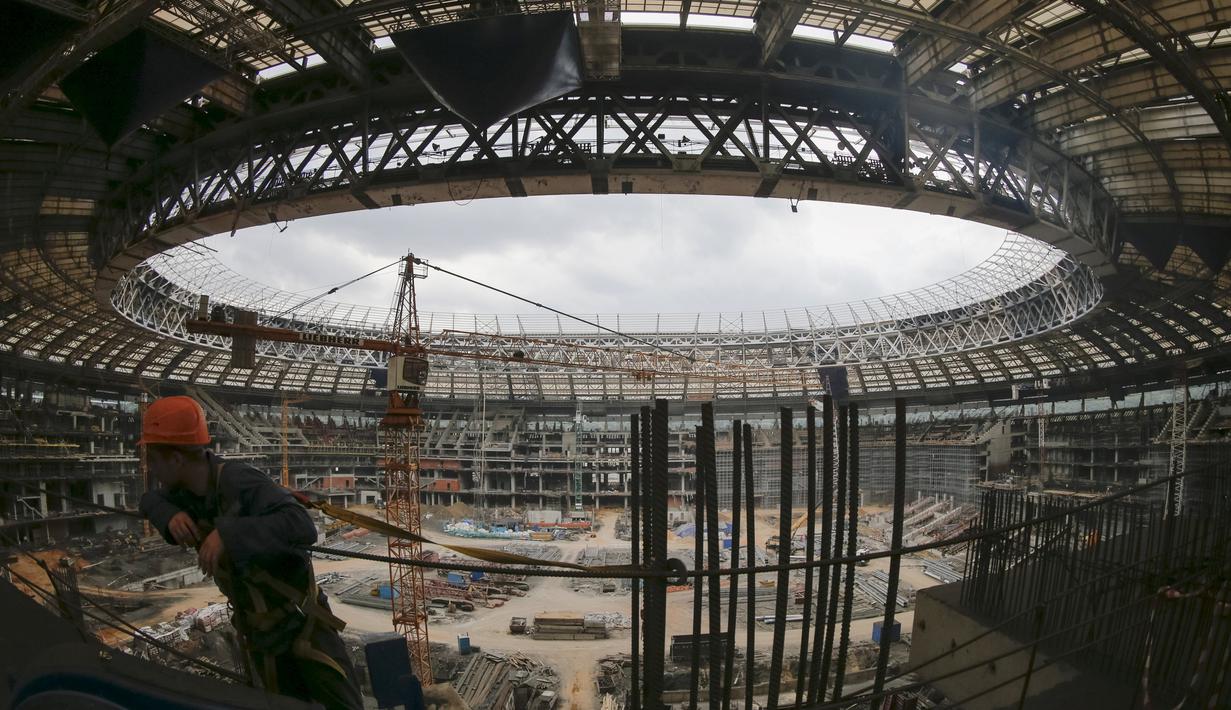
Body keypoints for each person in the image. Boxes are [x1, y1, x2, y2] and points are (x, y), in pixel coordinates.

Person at [138, 395, 364, 709]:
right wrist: (167, 515)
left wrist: (228, 536)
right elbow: (148, 500)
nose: (151, 468)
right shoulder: (182, 494)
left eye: (155, 460)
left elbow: (301, 525)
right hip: (263, 638)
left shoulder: (238, 481)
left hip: (304, 626)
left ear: (176, 460)